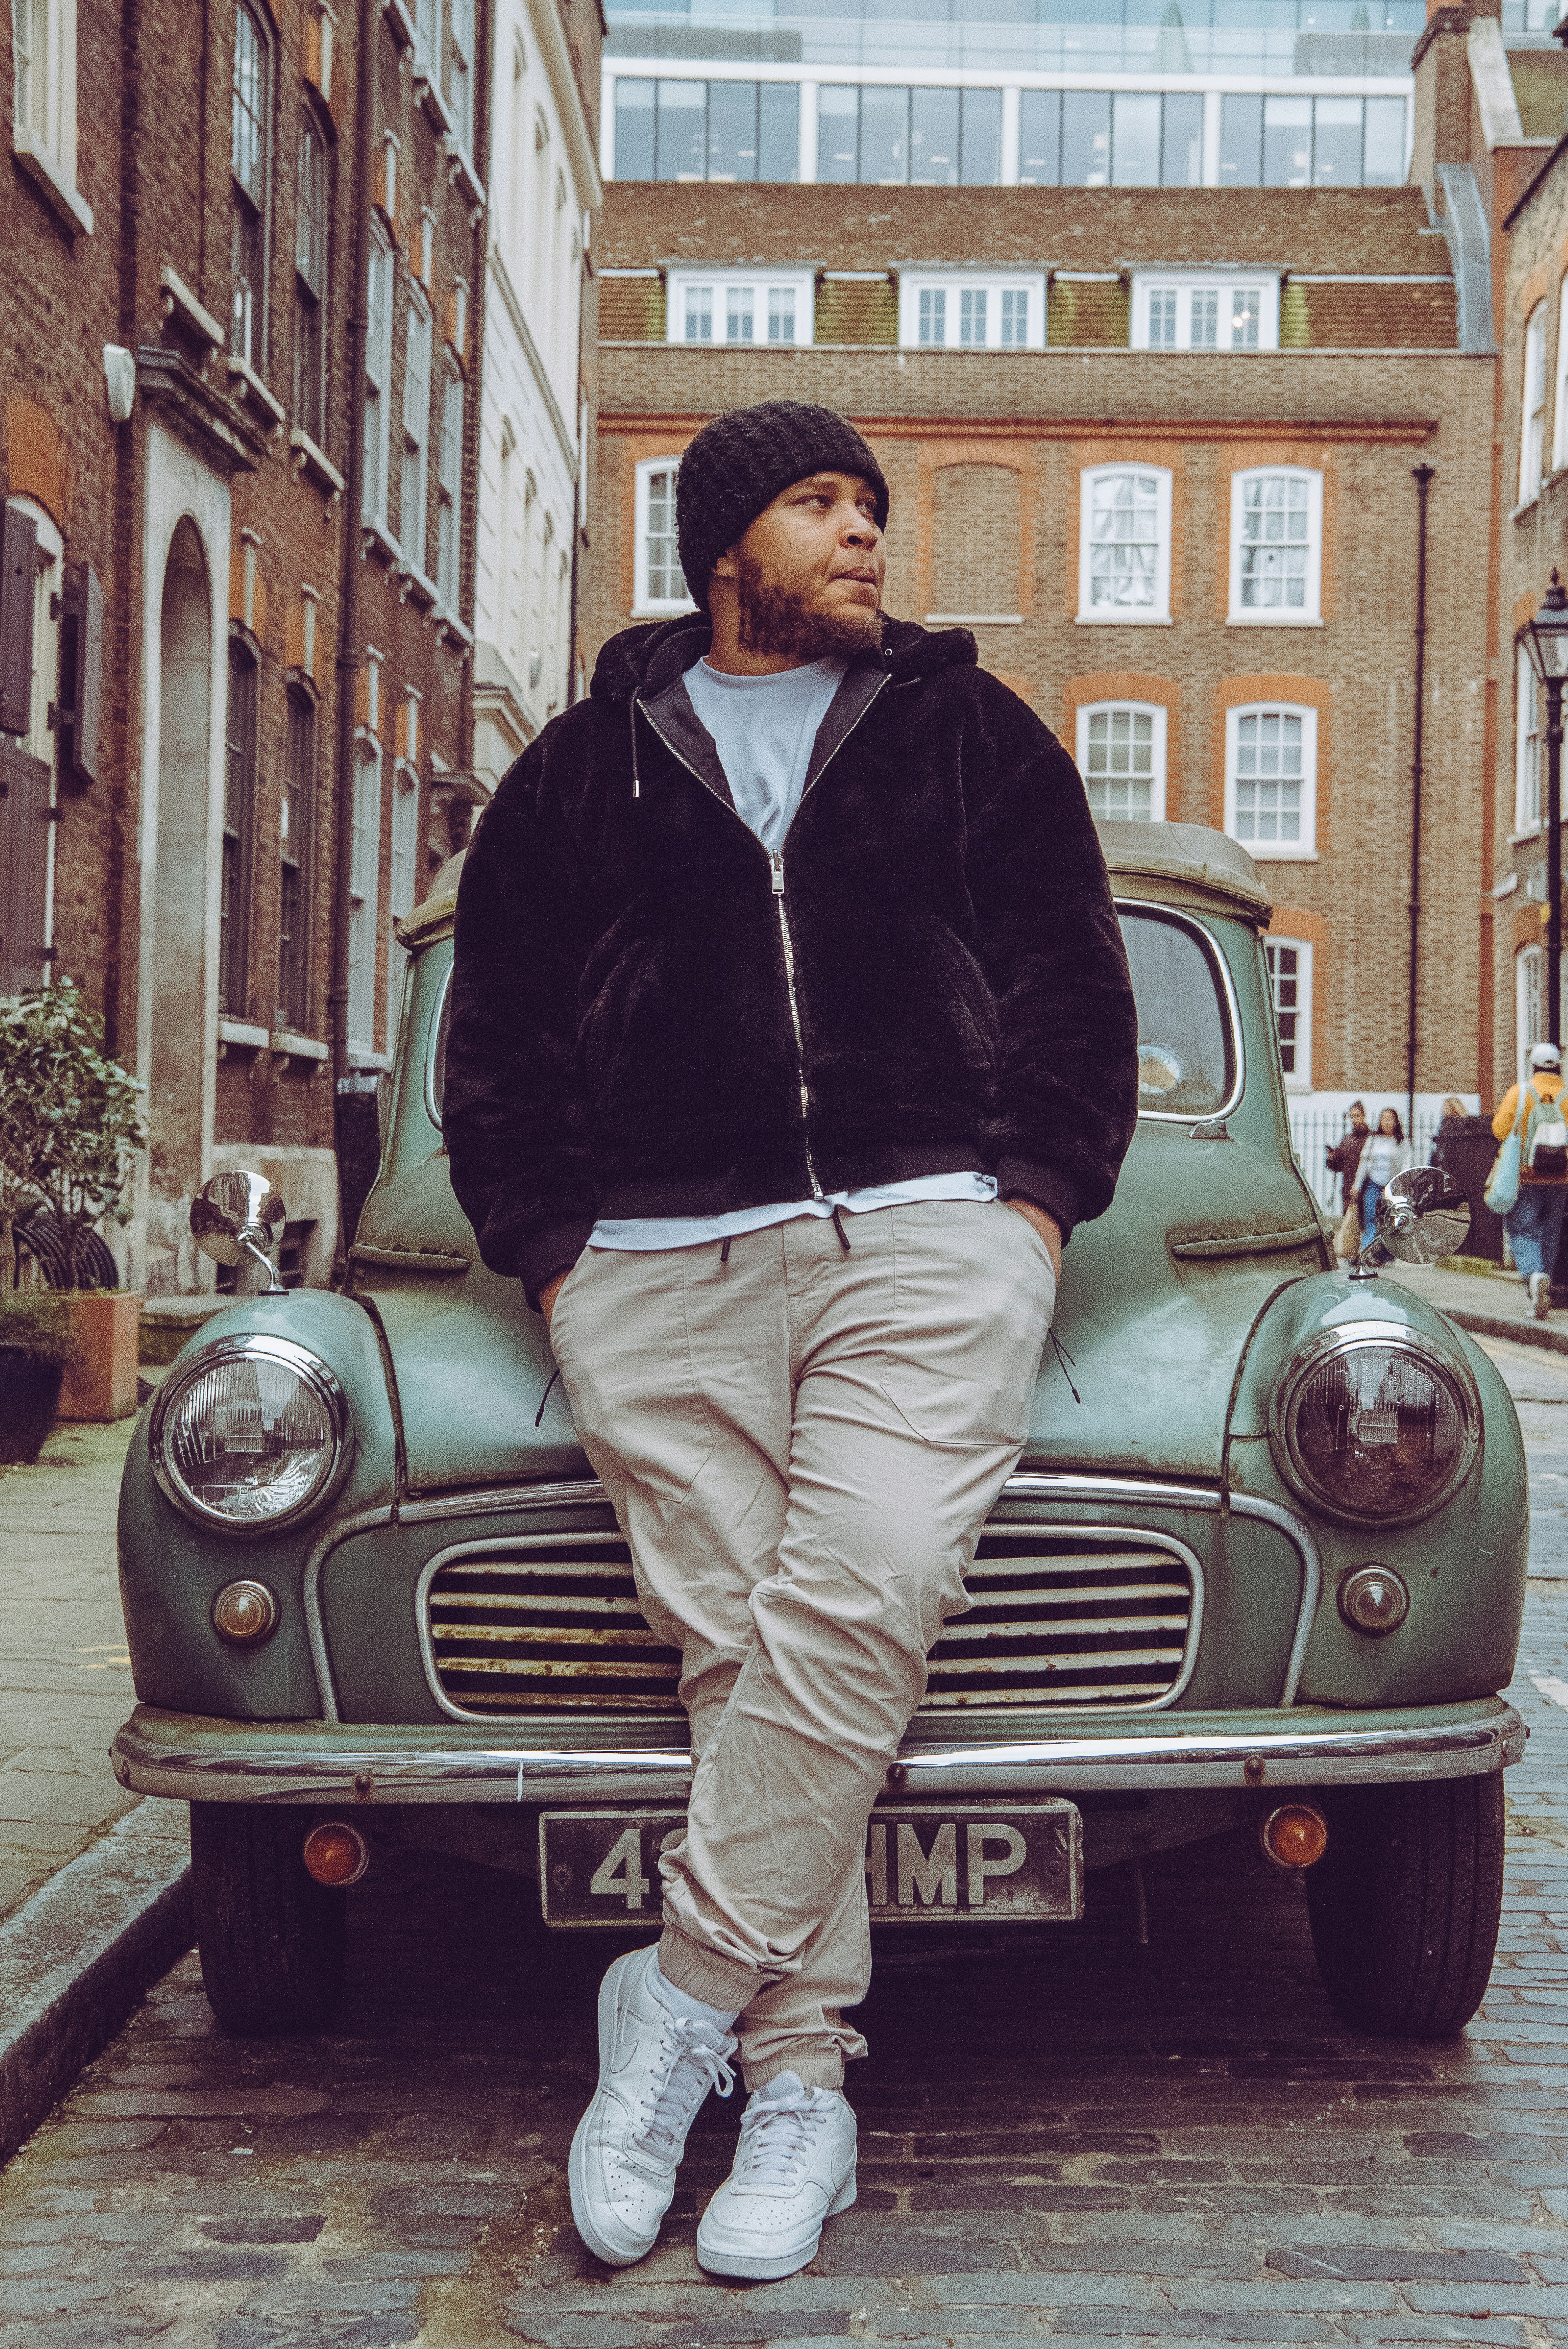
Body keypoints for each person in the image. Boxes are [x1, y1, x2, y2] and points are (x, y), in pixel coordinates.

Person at [443, 399, 1140, 2282]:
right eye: (821, 505)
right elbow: (494, 1031)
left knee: (867, 1587)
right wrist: (559, 1254)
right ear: (726, 544)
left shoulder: (970, 732)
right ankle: (803, 2077)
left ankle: (667, 2010)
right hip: (656, 1264)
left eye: (872, 509)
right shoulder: (584, 771)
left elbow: (1077, 970)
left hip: (925, 1237)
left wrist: (1032, 1201)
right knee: (737, 1646)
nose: (863, 536)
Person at [1493, 1042, 1568, 1317]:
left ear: (1533, 1066)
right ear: (1558, 1066)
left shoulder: (1520, 1093)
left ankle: (1535, 1277)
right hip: (1561, 1179)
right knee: (1550, 1233)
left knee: (1523, 1229)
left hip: (1525, 1176)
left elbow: (1500, 1129)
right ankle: (1541, 1287)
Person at [1352, 1107, 1411, 1245]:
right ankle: (1368, 1250)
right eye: (1383, 1118)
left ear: (1396, 1122)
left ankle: (1384, 1252)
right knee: (1370, 1217)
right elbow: (1364, 1163)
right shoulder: (1373, 1139)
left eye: (1390, 1119)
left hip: (1392, 1186)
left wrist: (1402, 1185)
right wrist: (1357, 1185)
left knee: (1389, 1218)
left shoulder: (1403, 1142)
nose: (1386, 1122)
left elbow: (1406, 1166)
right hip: (1374, 1182)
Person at [1325, 1102, 1369, 1223]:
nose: (1354, 1119)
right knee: (1349, 1224)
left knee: (1366, 1222)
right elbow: (1339, 1165)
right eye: (1352, 1116)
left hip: (1366, 1186)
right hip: (1348, 1188)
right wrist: (1332, 1158)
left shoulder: (1371, 1138)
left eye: (1357, 1116)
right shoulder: (1347, 1139)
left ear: (1363, 1116)